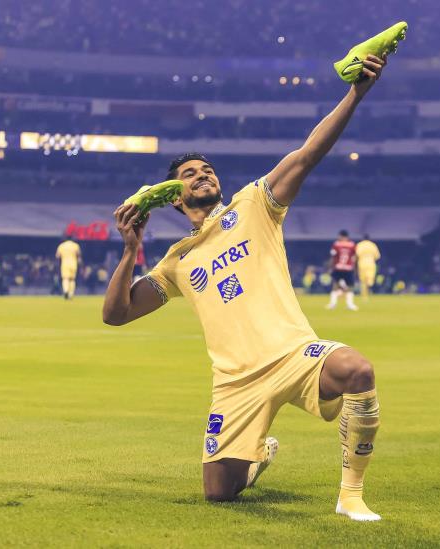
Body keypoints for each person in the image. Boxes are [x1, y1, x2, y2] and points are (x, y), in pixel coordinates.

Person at [103, 53, 389, 521]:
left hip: (295, 354)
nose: (203, 174)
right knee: (219, 494)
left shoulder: (254, 205)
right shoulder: (177, 260)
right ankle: (258, 453)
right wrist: (130, 249)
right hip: (235, 383)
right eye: (190, 173)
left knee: (358, 370)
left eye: (207, 169)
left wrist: (356, 91)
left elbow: (306, 155)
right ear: (173, 197)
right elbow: (116, 314)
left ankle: (351, 496)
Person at [326, 230, 358, 311]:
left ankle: (333, 304)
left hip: (338, 268)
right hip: (348, 268)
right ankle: (350, 304)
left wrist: (330, 267)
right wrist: (354, 268)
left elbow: (333, 257)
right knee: (350, 286)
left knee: (335, 286)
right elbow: (354, 258)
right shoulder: (352, 245)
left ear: (341, 236)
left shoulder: (336, 244)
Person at [56, 235, 82, 299]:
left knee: (65, 278)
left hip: (65, 263)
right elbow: (79, 256)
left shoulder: (61, 246)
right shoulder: (75, 245)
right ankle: (71, 294)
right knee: (72, 279)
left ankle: (66, 291)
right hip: (73, 263)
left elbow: (57, 256)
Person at [355, 234, 381, 300]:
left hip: (361, 263)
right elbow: (377, 256)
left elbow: (356, 255)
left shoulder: (360, 245)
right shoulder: (373, 245)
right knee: (370, 277)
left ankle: (364, 295)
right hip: (371, 263)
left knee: (363, 281)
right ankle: (370, 285)